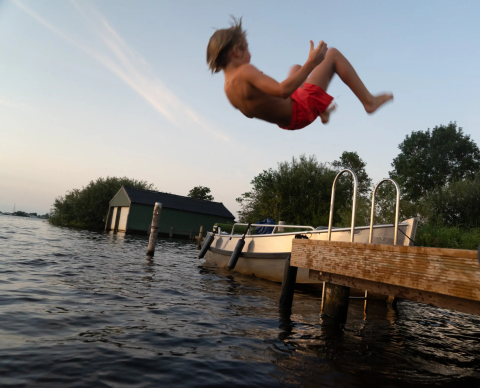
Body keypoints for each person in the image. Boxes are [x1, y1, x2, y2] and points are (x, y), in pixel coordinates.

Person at [206, 18, 393, 130]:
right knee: (333, 55)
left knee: (295, 68)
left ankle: (323, 111)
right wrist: (311, 63)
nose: (250, 54)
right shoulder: (245, 71)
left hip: (288, 121)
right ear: (236, 52)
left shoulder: (229, 90)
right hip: (300, 108)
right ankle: (369, 101)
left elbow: (249, 113)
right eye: (247, 49)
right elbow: (282, 91)